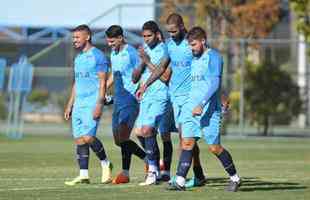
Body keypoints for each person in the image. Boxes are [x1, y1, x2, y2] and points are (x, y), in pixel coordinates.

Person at [168, 26, 241, 192]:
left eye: (193, 45)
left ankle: (235, 178)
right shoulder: (194, 59)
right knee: (187, 143)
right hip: (190, 108)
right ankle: (179, 180)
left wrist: (202, 104)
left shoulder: (214, 57)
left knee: (214, 148)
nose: (191, 48)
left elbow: (215, 83)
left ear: (203, 41)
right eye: (189, 45)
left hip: (208, 109)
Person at [64, 24, 112, 186]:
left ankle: (105, 163)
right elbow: (77, 83)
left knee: (88, 137)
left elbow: (103, 82)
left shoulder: (98, 56)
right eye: (73, 38)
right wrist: (70, 105)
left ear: (87, 37)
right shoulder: (78, 58)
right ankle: (83, 174)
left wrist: (99, 103)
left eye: (77, 37)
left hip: (93, 102)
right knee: (79, 139)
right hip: (79, 103)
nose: (74, 41)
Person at [165, 13, 207, 188]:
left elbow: (208, 68)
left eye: (174, 31)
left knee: (186, 139)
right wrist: (146, 84)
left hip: (191, 97)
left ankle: (180, 176)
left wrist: (221, 95)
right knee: (186, 139)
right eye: (169, 32)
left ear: (182, 26)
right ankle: (198, 175)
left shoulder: (192, 43)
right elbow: (163, 65)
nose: (171, 35)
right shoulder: (169, 45)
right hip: (176, 97)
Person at [105, 25, 147, 184]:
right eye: (108, 41)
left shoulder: (130, 52)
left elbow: (141, 71)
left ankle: (125, 173)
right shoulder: (113, 54)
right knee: (118, 140)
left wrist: (142, 89)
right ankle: (146, 158)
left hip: (130, 99)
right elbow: (114, 76)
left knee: (123, 136)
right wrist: (103, 91)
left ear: (121, 38)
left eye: (112, 41)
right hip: (118, 100)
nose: (110, 44)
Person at [132, 20, 170, 186]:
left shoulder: (165, 50)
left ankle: (153, 171)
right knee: (140, 132)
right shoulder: (144, 50)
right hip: (145, 97)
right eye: (144, 36)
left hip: (161, 96)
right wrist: (141, 62)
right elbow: (134, 78)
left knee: (148, 130)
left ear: (157, 35)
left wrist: (147, 61)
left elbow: (166, 76)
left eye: (149, 36)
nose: (146, 39)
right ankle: (155, 161)